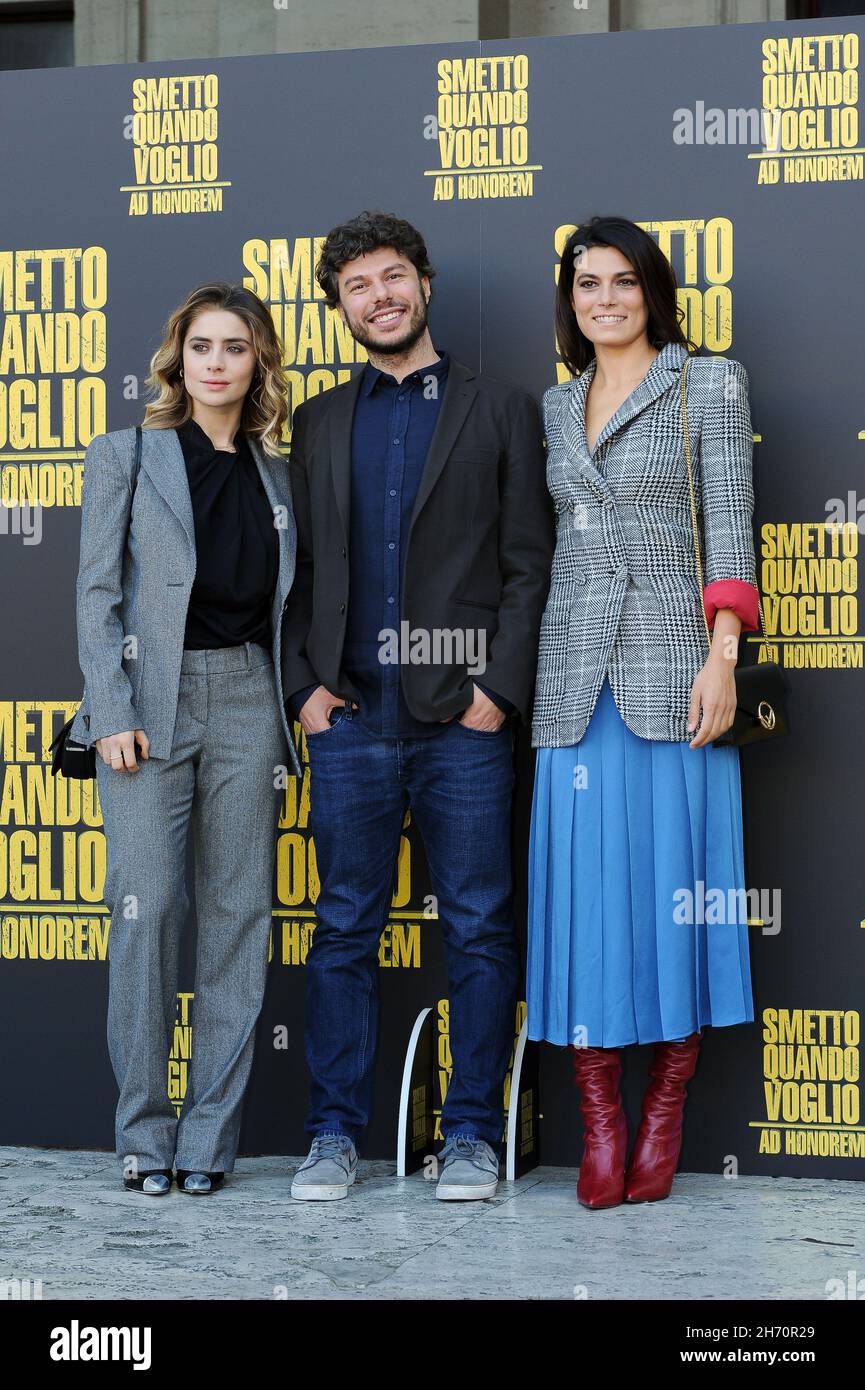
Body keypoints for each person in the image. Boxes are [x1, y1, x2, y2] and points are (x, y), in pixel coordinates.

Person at [282, 210, 554, 1201]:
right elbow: (296, 571)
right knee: (343, 927)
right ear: (340, 308)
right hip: (348, 718)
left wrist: (497, 693)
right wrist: (305, 692)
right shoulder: (314, 421)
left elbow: (529, 565)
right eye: (357, 286)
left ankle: (473, 1132)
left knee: (479, 927)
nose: (378, 297)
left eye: (392, 277)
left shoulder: (501, 410)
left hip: (462, 723)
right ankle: (330, 1135)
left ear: (425, 284)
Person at [527, 216, 760, 1209]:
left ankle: (663, 1104)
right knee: (585, 904)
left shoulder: (706, 382)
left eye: (623, 281)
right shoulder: (553, 403)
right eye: (587, 283)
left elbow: (732, 522)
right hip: (571, 682)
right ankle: (600, 1121)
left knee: (677, 890)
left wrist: (722, 657)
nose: (605, 298)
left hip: (675, 673)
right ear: (569, 298)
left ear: (652, 291)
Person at [69, 282, 301, 1196]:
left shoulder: (279, 473)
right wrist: (113, 710)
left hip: (250, 696)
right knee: (147, 910)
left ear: (257, 363)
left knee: (240, 917)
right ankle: (142, 1132)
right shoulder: (126, 454)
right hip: (146, 707)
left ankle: (210, 1140)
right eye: (200, 346)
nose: (215, 362)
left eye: (234, 347)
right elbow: (95, 595)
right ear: (177, 359)